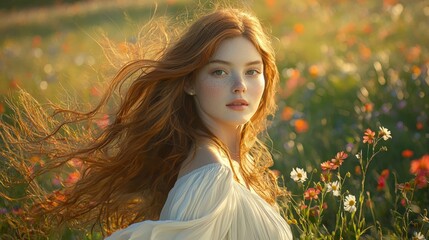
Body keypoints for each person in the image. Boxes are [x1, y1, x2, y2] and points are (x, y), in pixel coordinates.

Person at [0, 6, 292, 240]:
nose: (239, 85)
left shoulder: (238, 163)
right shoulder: (210, 174)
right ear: (190, 81)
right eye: (219, 72)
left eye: (252, 71)